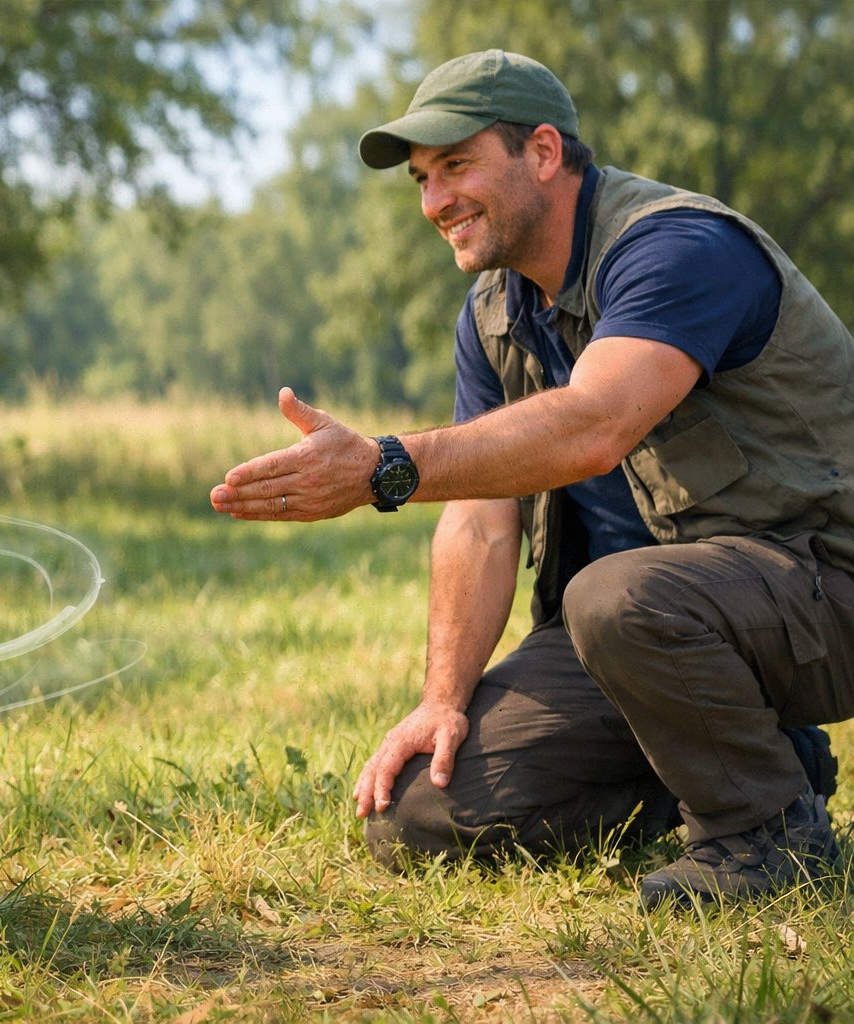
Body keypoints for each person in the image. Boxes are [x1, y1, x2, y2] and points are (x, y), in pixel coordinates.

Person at [209, 50, 852, 908]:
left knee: (614, 596)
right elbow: (479, 520)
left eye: (458, 166)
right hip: (650, 642)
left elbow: (595, 424)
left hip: (822, 584)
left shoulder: (678, 246)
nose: (435, 203)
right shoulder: (492, 314)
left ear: (544, 152)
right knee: (418, 816)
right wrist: (442, 701)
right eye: (422, 181)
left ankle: (767, 840)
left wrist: (383, 468)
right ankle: (761, 758)